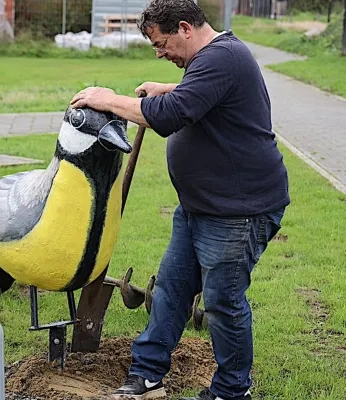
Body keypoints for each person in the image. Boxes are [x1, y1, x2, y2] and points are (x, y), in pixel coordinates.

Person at [70, 0, 290, 399]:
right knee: (171, 291)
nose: (160, 53)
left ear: (186, 28)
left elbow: (171, 116)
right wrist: (169, 88)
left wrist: (107, 98)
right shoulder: (215, 59)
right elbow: (198, 96)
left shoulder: (224, 57)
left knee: (222, 302)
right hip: (200, 207)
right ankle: (147, 374)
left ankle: (231, 390)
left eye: (162, 43)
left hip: (237, 211)